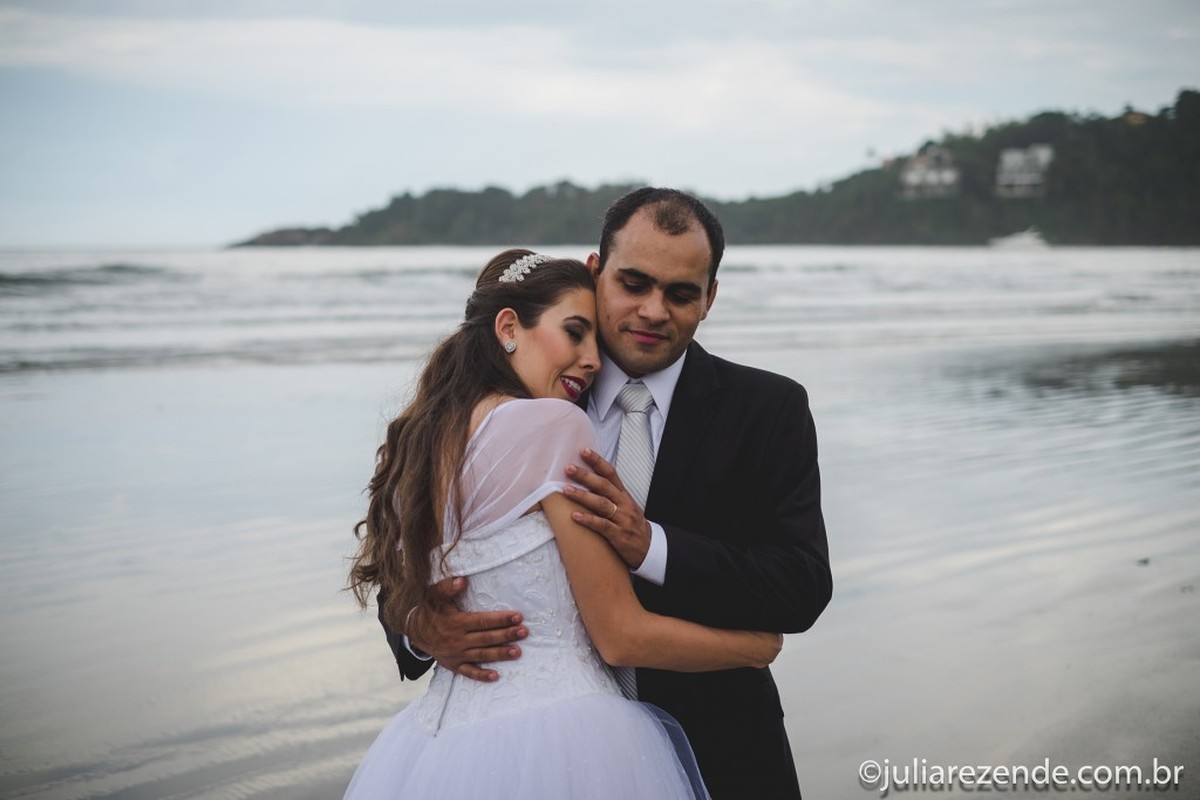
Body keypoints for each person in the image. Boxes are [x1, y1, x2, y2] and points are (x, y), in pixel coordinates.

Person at [387, 190, 833, 799]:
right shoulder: (511, 411)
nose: (654, 310)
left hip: (723, 755)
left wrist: (652, 546)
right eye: (634, 283)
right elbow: (409, 559)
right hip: (527, 759)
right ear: (596, 272)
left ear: (710, 299)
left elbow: (801, 583)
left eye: (681, 293)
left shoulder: (768, 409)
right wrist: (419, 626)